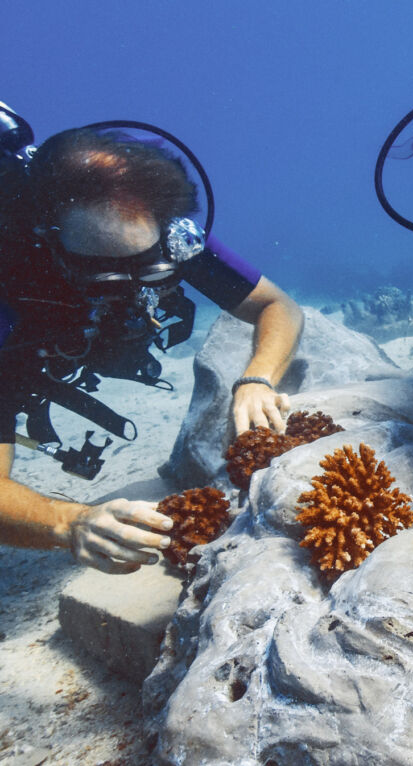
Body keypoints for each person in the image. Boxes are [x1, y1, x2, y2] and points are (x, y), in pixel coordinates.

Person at [0, 119, 304, 574]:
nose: (135, 290)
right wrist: (69, 522)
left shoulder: (164, 236)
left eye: (152, 272)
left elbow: (278, 306)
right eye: (106, 276)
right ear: (49, 242)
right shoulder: (12, 282)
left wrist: (257, 378)